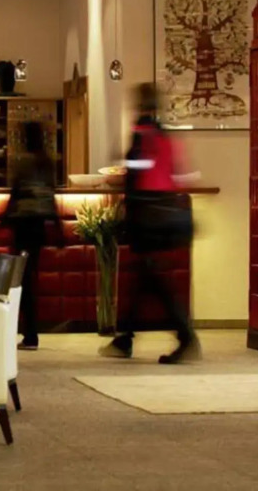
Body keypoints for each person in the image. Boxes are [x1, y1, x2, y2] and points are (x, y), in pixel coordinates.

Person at [100, 83, 200, 364]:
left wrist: (123, 175)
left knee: (152, 279)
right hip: (166, 212)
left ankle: (184, 336)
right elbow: (175, 173)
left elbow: (135, 171)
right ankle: (126, 338)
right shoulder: (165, 134)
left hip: (147, 214)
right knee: (145, 278)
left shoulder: (141, 133)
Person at [4, 121, 58, 351]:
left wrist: (2, 221)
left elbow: (16, 194)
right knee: (29, 279)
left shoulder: (24, 162)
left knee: (22, 280)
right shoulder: (47, 162)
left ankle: (30, 334)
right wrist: (58, 227)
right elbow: (51, 197)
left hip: (23, 226)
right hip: (39, 227)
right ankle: (30, 332)